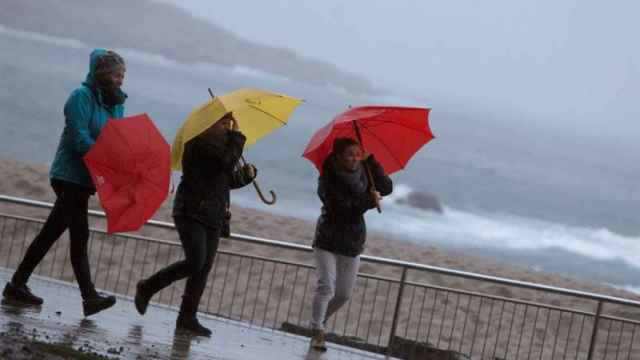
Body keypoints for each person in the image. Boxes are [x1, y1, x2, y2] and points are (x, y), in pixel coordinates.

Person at [2, 49, 127, 317]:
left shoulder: (117, 104)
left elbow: (116, 140)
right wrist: (102, 156)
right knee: (80, 234)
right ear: (103, 73)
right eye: (117, 74)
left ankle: (16, 284)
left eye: (123, 75)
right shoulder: (79, 97)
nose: (121, 80)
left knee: (50, 233)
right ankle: (89, 297)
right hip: (68, 174)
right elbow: (77, 136)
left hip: (87, 179)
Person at [134, 113, 256, 337]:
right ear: (207, 124)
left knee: (203, 269)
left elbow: (223, 181)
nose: (227, 127)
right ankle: (148, 286)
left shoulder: (223, 147)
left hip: (214, 213)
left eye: (229, 123)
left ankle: (187, 317)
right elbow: (222, 163)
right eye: (222, 123)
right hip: (190, 210)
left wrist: (245, 177)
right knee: (195, 261)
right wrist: (237, 140)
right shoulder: (197, 144)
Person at [309, 137, 393, 351]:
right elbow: (341, 208)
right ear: (338, 157)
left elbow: (387, 187)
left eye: (358, 154)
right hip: (327, 239)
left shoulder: (365, 171)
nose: (355, 158)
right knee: (326, 286)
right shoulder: (327, 178)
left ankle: (319, 322)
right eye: (349, 155)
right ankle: (317, 329)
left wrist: (372, 161)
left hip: (353, 240)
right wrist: (369, 201)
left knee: (344, 294)